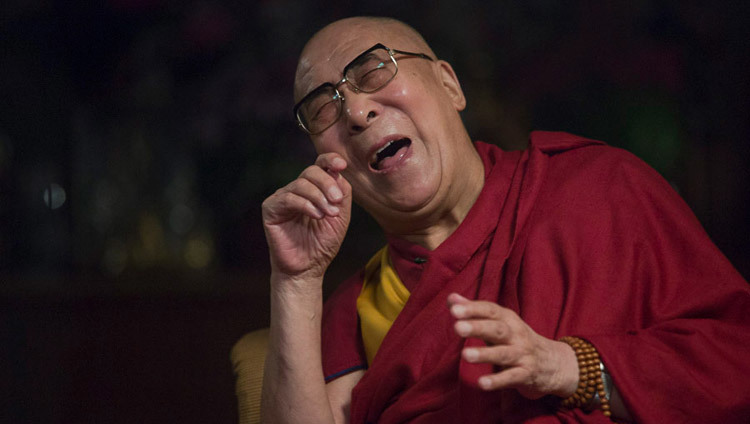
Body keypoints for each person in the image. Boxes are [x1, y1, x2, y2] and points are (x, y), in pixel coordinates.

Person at [260, 16, 750, 423]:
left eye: (372, 72)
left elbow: (733, 360)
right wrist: (295, 281)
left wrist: (567, 367)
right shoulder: (358, 307)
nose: (357, 112)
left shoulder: (600, 188)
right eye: (324, 107)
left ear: (450, 85)